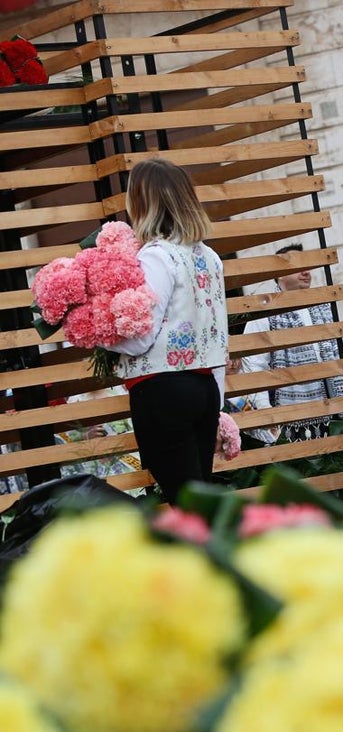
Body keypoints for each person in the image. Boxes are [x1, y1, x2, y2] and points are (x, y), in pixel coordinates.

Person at [107, 157, 228, 502]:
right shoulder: (209, 256)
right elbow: (216, 333)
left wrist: (103, 336)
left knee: (186, 502)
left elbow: (141, 337)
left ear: (144, 201)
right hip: (205, 386)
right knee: (199, 497)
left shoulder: (156, 256)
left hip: (162, 388)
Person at [240, 245, 343, 441]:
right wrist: (267, 415)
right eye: (298, 266)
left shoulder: (324, 306)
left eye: (308, 266)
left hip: (338, 409)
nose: (306, 272)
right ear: (279, 274)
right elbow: (254, 367)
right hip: (293, 417)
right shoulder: (263, 313)